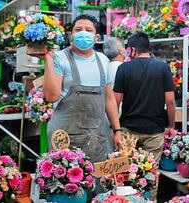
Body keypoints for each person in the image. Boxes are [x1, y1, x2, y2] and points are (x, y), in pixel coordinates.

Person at [37, 14, 122, 163]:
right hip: (64, 138)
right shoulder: (60, 58)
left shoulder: (103, 60)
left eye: (88, 30)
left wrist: (117, 130)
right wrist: (48, 61)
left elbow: (109, 99)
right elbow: (51, 97)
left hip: (96, 137)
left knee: (98, 183)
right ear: (71, 35)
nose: (83, 33)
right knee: (66, 182)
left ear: (96, 37)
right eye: (78, 29)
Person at [113, 32, 176, 163]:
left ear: (133, 50)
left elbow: (115, 101)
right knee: (150, 173)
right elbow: (170, 101)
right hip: (154, 131)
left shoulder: (123, 68)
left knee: (126, 172)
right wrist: (171, 126)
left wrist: (115, 129)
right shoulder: (163, 68)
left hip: (128, 130)